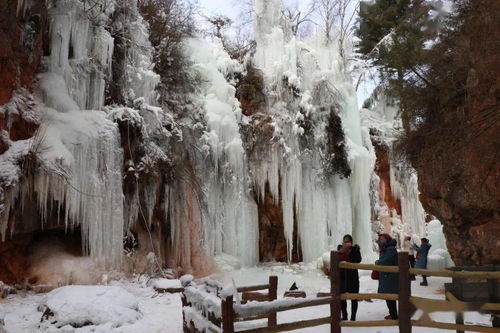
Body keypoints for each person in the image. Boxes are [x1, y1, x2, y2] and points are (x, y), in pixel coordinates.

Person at [337, 234, 362, 321]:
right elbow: (337, 261)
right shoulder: (340, 250)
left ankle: (353, 317)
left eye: (348, 241)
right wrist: (341, 252)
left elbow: (358, 260)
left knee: (354, 298)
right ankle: (344, 316)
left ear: (351, 242)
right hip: (343, 277)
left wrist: (350, 253)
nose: (346, 243)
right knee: (342, 298)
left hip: (353, 277)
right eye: (344, 241)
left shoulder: (355, 250)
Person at [376, 233, 399, 320]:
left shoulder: (390, 249)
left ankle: (394, 316)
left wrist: (378, 262)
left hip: (390, 277)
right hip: (387, 277)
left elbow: (386, 262)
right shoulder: (386, 249)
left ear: (387, 239)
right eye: (380, 239)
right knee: (389, 297)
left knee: (390, 297)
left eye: (382, 239)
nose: (381, 241)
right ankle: (392, 314)